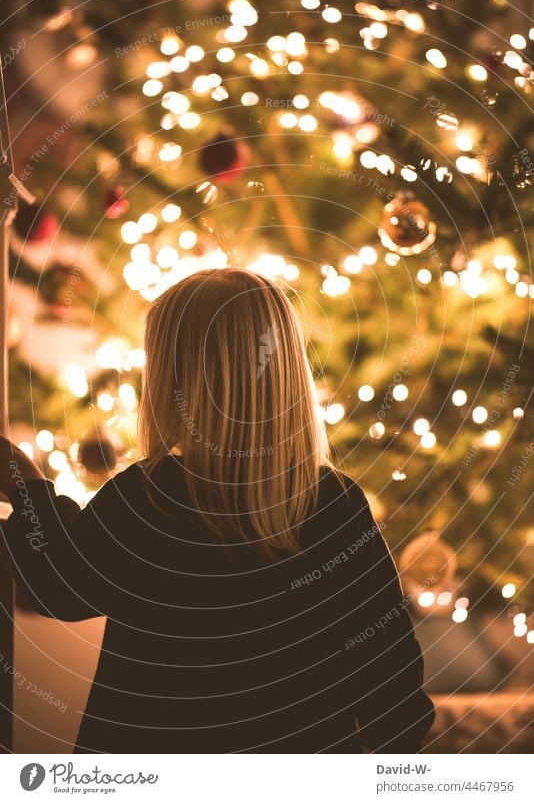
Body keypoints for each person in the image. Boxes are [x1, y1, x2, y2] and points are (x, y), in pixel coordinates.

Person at [0, 267, 434, 753]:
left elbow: (58, 587)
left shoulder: (149, 498)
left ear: (172, 378)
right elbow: (394, 690)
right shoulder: (335, 503)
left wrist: (29, 488)